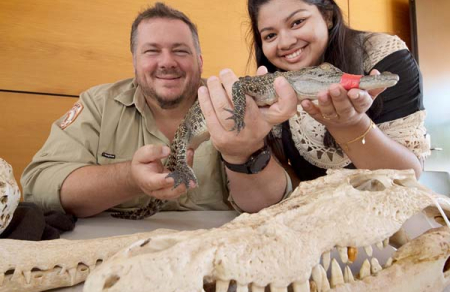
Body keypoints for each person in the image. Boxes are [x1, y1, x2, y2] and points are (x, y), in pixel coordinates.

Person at [21, 2, 297, 218]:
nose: (167, 62)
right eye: (152, 51)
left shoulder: (237, 100)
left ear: (200, 61)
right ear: (135, 62)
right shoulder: (97, 104)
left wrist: (243, 153)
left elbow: (275, 205)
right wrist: (130, 178)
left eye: (180, 51)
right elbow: (39, 186)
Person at [237, 0, 429, 183]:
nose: (285, 43)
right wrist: (242, 149)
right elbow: (283, 181)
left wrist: (351, 124)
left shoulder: (382, 54)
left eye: (297, 22)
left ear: (328, 16)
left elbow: (406, 176)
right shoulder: (267, 89)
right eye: (270, 35)